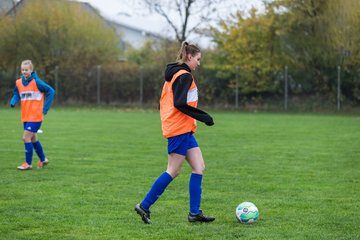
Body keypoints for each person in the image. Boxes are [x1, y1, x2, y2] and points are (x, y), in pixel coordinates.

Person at [135, 41, 215, 224]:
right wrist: (204, 117)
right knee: (173, 170)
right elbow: (179, 103)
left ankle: (194, 213)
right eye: (198, 59)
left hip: (184, 129)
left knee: (199, 167)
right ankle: (144, 205)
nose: (199, 63)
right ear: (189, 57)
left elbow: (164, 103)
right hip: (179, 130)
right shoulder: (184, 75)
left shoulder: (174, 74)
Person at [10, 60, 55, 170]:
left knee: (26, 137)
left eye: (27, 70)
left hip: (36, 116)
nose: (24, 71)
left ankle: (28, 163)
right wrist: (13, 100)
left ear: (31, 70)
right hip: (26, 116)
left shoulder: (37, 82)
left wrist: (45, 108)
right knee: (33, 138)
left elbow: (51, 91)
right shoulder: (19, 82)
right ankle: (43, 159)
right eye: (23, 70)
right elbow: (16, 93)